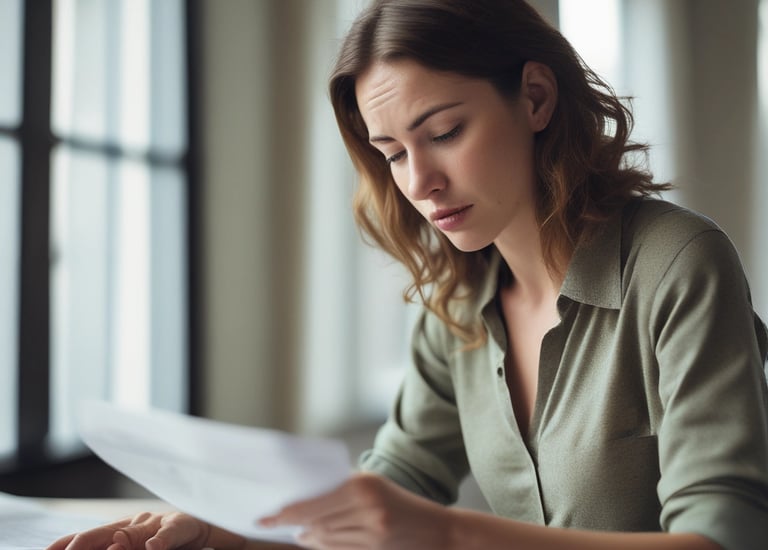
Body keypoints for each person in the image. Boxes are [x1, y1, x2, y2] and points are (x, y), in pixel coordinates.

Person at [49, 0, 768, 549]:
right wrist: (228, 530)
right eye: (392, 151)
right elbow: (398, 477)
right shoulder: (457, 299)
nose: (419, 182)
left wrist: (449, 533)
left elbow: (723, 536)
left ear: (537, 98)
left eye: (445, 132)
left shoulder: (678, 264)